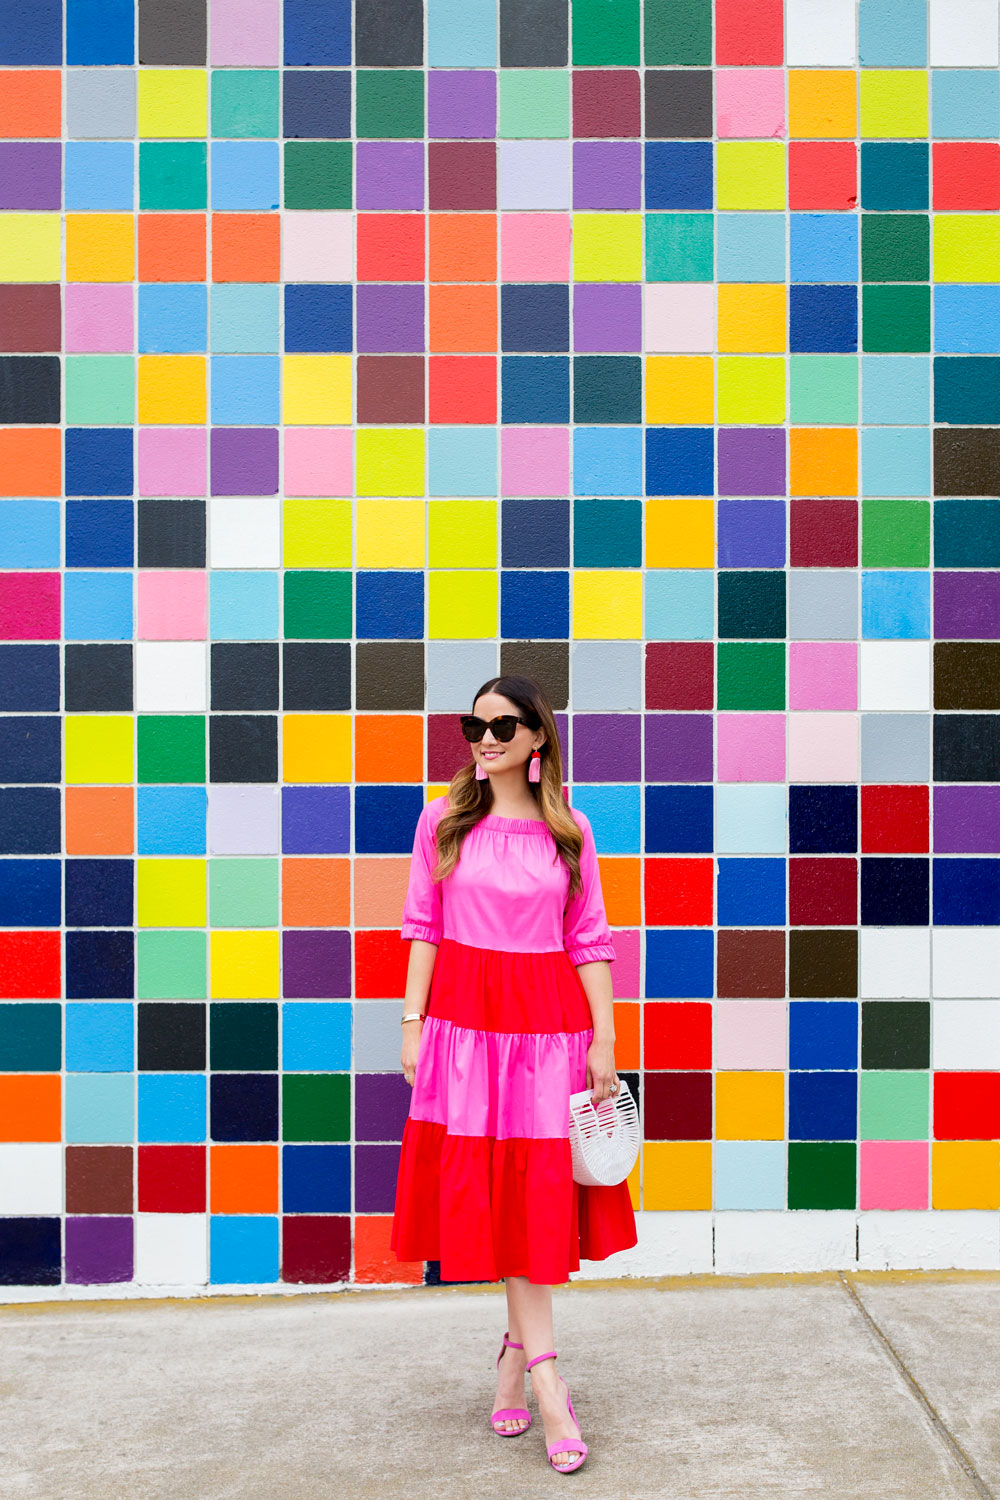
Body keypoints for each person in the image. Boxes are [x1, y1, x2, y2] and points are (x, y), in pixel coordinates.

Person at [390, 673, 637, 1474]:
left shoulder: (569, 830)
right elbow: (424, 928)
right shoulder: (444, 821)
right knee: (493, 1193)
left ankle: (534, 1371)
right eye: (475, 724)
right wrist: (411, 1023)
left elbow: (589, 940)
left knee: (530, 1198)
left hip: (546, 1031)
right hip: (464, 1031)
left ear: (538, 740)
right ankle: (540, 1371)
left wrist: (605, 1039)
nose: (485, 738)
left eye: (504, 725)